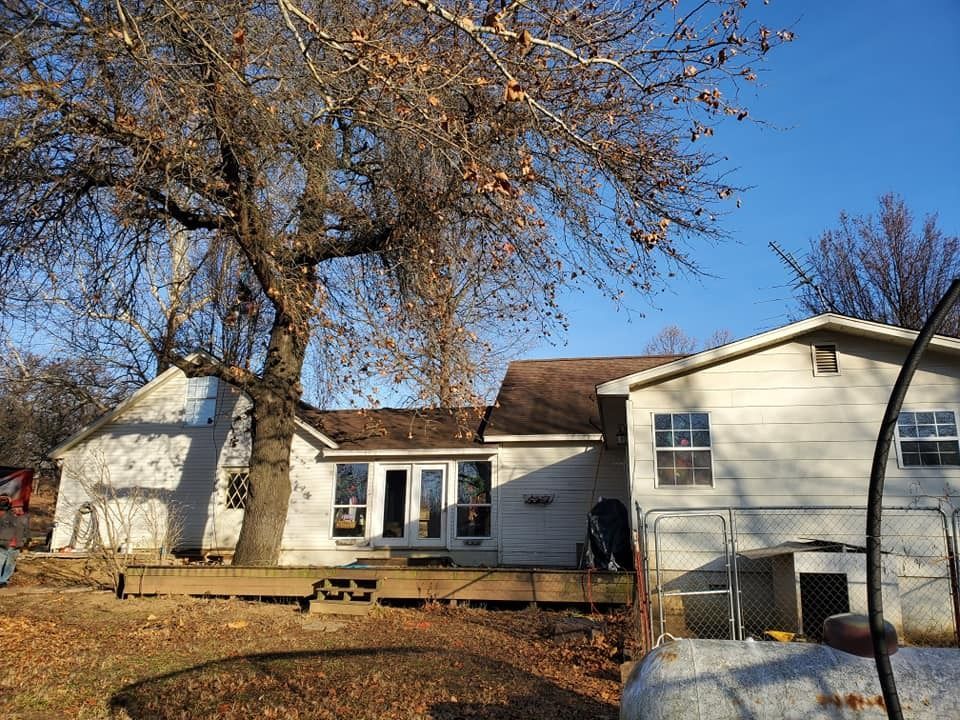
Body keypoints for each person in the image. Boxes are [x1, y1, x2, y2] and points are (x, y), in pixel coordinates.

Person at [0, 495, 28, 587]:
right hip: (4, 544)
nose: (20, 509)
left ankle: (3, 581)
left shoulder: (24, 518)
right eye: (17, 507)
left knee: (10, 565)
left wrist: (25, 542)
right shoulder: (4, 516)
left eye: (21, 507)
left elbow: (26, 531)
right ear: (12, 508)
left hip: (16, 546)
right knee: (0, 563)